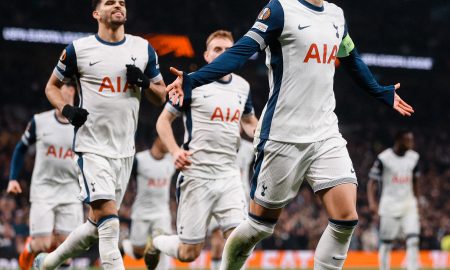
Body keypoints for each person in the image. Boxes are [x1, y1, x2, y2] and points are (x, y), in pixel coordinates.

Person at [165, 0, 414, 269]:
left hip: (325, 132)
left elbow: (351, 58)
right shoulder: (280, 10)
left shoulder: (336, 15)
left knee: (345, 218)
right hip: (282, 136)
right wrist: (194, 78)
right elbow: (240, 51)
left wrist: (379, 90)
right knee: (259, 228)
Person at [33, 0, 166, 269]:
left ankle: (47, 263)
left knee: (96, 225)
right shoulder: (79, 50)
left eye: (121, 2)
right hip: (92, 147)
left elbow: (161, 94)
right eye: (110, 2)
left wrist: (143, 82)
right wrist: (67, 109)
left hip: (124, 151)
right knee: (110, 221)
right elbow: (52, 87)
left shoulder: (142, 48)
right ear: (96, 13)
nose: (118, 5)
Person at [152, 30, 258, 269]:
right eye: (218, 49)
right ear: (207, 55)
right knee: (189, 253)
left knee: (239, 241)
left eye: (229, 51)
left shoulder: (243, 87)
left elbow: (250, 123)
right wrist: (175, 151)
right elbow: (163, 121)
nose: (223, 54)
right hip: (196, 174)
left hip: (229, 175)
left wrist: (264, 136)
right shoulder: (192, 82)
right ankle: (157, 240)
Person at [6, 83, 82, 270]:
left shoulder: (82, 125)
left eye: (68, 90)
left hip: (71, 191)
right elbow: (21, 147)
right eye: (60, 90)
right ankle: (29, 250)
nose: (64, 93)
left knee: (67, 249)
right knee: (42, 244)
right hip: (44, 189)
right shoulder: (40, 122)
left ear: (74, 93)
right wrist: (13, 178)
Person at [368, 130, 420, 270]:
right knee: (386, 243)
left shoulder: (414, 157)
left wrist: (417, 201)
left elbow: (415, 181)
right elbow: (372, 182)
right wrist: (372, 203)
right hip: (389, 205)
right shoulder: (384, 158)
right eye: (408, 140)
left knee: (413, 239)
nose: (411, 143)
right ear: (398, 140)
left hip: (409, 205)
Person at [121, 137, 175, 270]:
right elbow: (125, 177)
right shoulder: (139, 159)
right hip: (142, 212)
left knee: (162, 245)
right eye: (166, 140)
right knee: (138, 253)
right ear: (158, 140)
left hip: (162, 212)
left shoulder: (172, 160)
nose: (170, 143)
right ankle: (123, 245)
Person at [208, 139, 254, 270]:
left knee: (239, 239)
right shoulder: (216, 143)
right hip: (217, 197)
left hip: (240, 199)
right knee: (217, 242)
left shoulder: (249, 148)